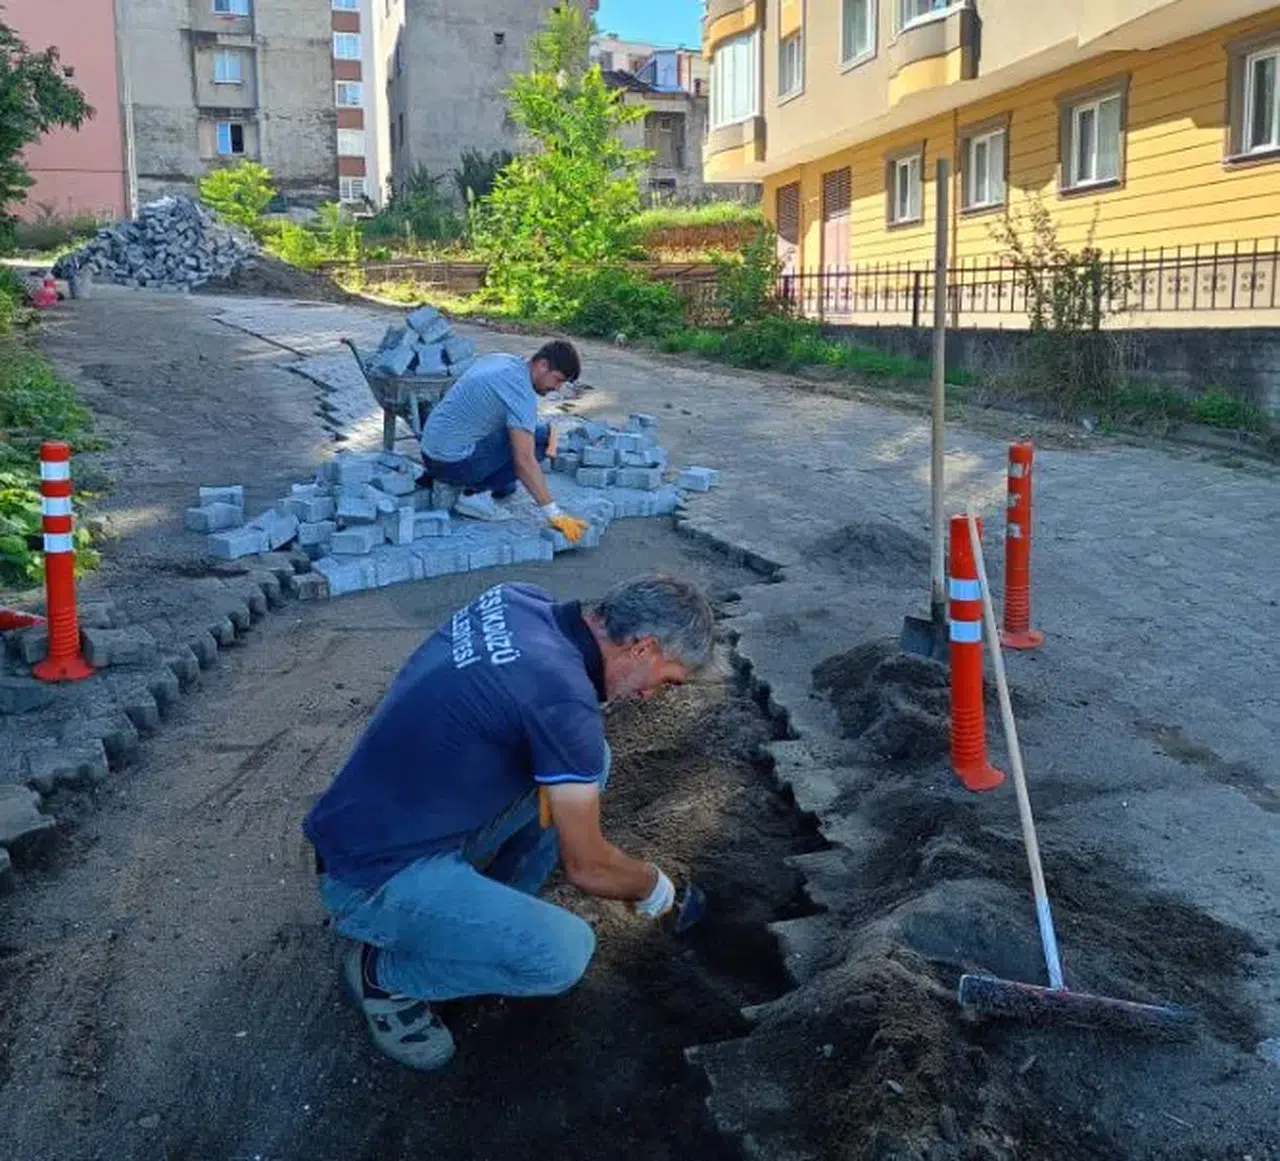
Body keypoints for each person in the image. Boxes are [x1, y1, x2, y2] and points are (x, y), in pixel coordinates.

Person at [303, 573, 715, 1072]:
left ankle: (486, 911)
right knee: (561, 955)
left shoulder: (519, 600)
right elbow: (590, 869)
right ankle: (383, 973)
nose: (652, 696)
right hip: (371, 875)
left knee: (592, 762)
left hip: (374, 815)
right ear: (644, 648)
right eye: (666, 680)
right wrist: (655, 886)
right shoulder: (564, 703)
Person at [421, 339, 588, 542]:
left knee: (507, 487)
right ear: (543, 365)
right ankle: (470, 494)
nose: (558, 388)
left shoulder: (503, 360)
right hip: (450, 463)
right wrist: (555, 514)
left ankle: (461, 482)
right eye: (557, 380)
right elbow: (524, 461)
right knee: (540, 440)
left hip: (430, 449)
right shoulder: (521, 393)